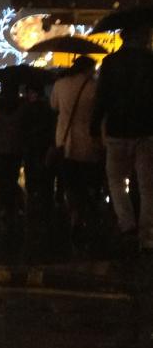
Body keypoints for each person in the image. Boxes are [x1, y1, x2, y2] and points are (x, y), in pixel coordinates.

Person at [90, 25, 153, 251]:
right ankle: (147, 234)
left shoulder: (110, 62)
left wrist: (94, 128)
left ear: (123, 38)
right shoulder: (150, 60)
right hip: (146, 130)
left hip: (117, 129)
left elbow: (101, 97)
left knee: (116, 180)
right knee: (147, 185)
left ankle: (127, 225)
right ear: (143, 37)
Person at [51, 56, 102, 246]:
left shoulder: (60, 84)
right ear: (88, 68)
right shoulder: (94, 87)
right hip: (88, 142)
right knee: (86, 181)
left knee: (71, 182)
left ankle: (75, 214)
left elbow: (54, 105)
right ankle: (86, 212)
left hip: (64, 142)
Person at [0, 83, 25, 234]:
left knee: (2, 179)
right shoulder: (21, 108)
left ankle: (5, 208)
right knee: (11, 178)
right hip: (14, 149)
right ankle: (12, 207)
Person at [19, 85, 57, 219]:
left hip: (31, 147)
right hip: (45, 147)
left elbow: (22, 128)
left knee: (31, 177)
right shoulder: (48, 109)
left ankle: (33, 204)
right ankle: (47, 207)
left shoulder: (26, 109)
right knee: (46, 178)